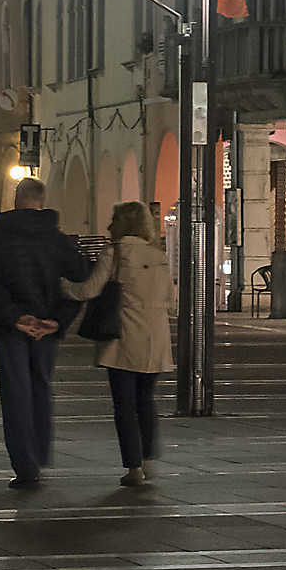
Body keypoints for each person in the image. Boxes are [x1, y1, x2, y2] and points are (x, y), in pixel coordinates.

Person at [0, 177, 85, 489]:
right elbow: (79, 283)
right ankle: (39, 453)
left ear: (16, 198)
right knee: (41, 387)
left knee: (16, 395)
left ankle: (26, 467)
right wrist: (58, 320)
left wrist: (16, 317)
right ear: (41, 200)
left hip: (11, 328)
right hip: (47, 328)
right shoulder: (57, 239)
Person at [63, 201, 174, 486]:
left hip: (124, 336)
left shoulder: (114, 253)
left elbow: (89, 289)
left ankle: (133, 467)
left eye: (114, 220)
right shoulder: (159, 256)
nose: (110, 226)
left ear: (123, 223)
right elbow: (170, 299)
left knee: (124, 404)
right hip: (156, 337)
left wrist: (61, 285)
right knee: (146, 401)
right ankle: (149, 460)